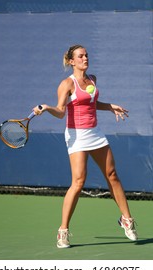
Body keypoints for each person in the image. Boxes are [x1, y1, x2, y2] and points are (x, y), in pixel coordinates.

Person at [33, 44, 138, 249]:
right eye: (80, 56)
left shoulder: (92, 79)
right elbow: (61, 111)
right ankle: (63, 231)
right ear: (72, 61)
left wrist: (109, 106)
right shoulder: (66, 84)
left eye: (86, 55)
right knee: (79, 181)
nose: (85, 58)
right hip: (76, 135)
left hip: (95, 133)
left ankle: (126, 219)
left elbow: (90, 103)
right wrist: (46, 108)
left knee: (112, 174)